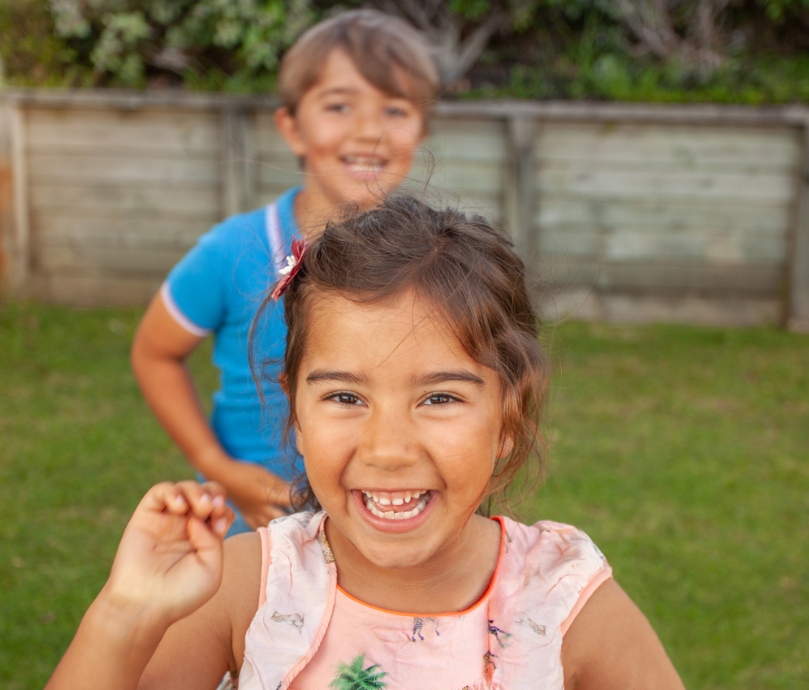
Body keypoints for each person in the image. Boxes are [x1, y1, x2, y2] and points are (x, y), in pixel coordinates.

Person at [49, 198, 684, 690]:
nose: (387, 449)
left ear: (508, 419)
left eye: (439, 398)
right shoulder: (248, 586)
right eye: (346, 398)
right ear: (295, 411)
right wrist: (126, 614)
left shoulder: (566, 599)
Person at [130, 10, 439, 534]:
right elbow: (154, 352)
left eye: (395, 108)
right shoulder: (233, 251)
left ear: (422, 129)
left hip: (386, 526)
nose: (370, 131)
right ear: (291, 126)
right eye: (339, 105)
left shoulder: (437, 258)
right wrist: (221, 470)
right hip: (254, 532)